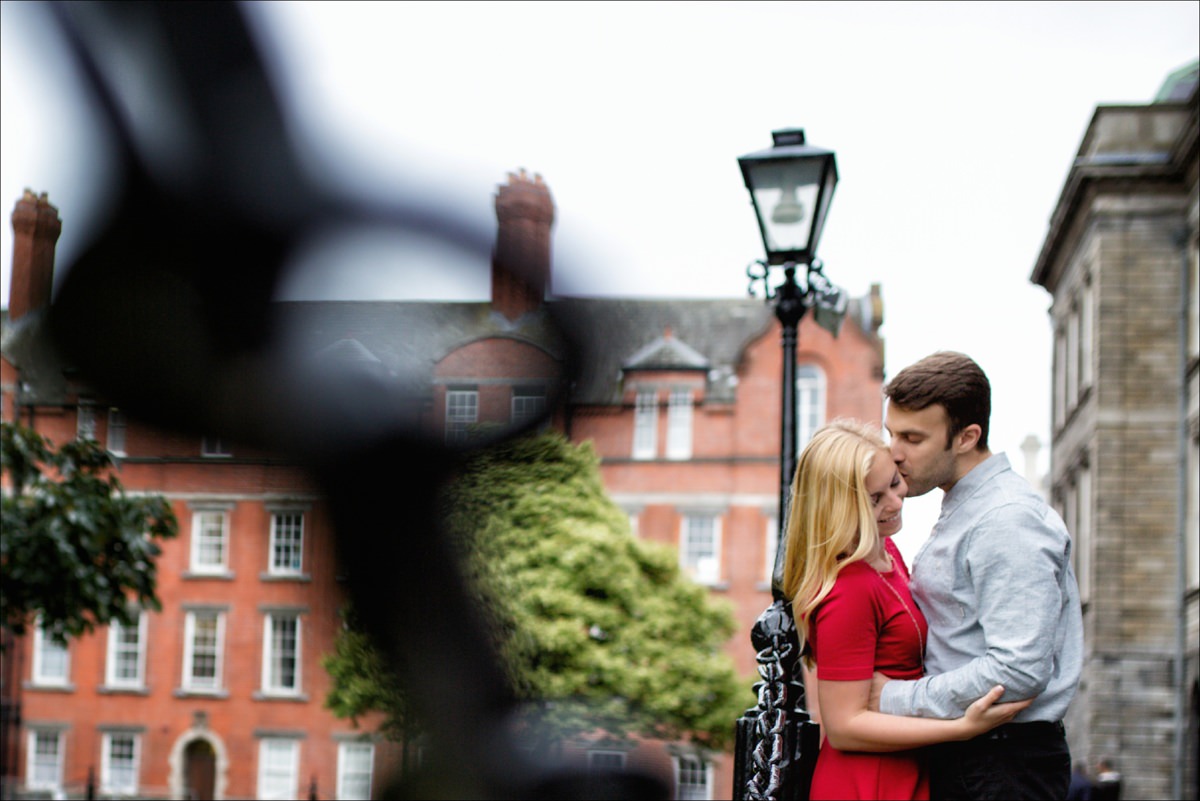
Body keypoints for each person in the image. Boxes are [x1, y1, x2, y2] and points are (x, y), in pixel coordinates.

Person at [871, 351, 1084, 800]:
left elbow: (1018, 669)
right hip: (979, 756)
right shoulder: (971, 508)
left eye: (913, 438)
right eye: (892, 434)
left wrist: (893, 698)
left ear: (967, 437)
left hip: (1000, 762)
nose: (895, 453)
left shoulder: (1005, 519)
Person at [781, 419, 1031, 801]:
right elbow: (844, 726)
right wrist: (961, 728)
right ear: (838, 507)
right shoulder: (849, 588)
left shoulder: (886, 551)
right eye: (874, 499)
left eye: (894, 483)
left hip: (904, 766)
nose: (896, 503)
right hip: (869, 781)